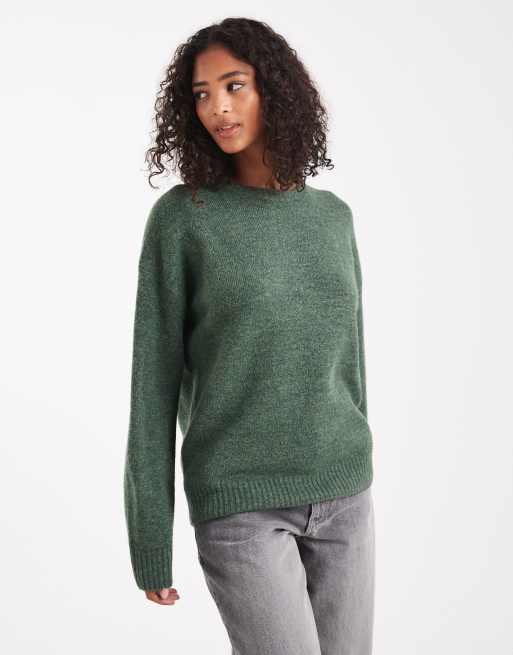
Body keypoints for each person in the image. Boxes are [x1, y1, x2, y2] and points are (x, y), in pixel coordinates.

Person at [124, 16, 375, 655]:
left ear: (275, 90)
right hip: (242, 506)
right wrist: (151, 536)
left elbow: (351, 364)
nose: (218, 108)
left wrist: (360, 456)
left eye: (234, 86)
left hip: (345, 497)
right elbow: (152, 385)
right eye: (202, 94)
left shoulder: (332, 218)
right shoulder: (184, 220)